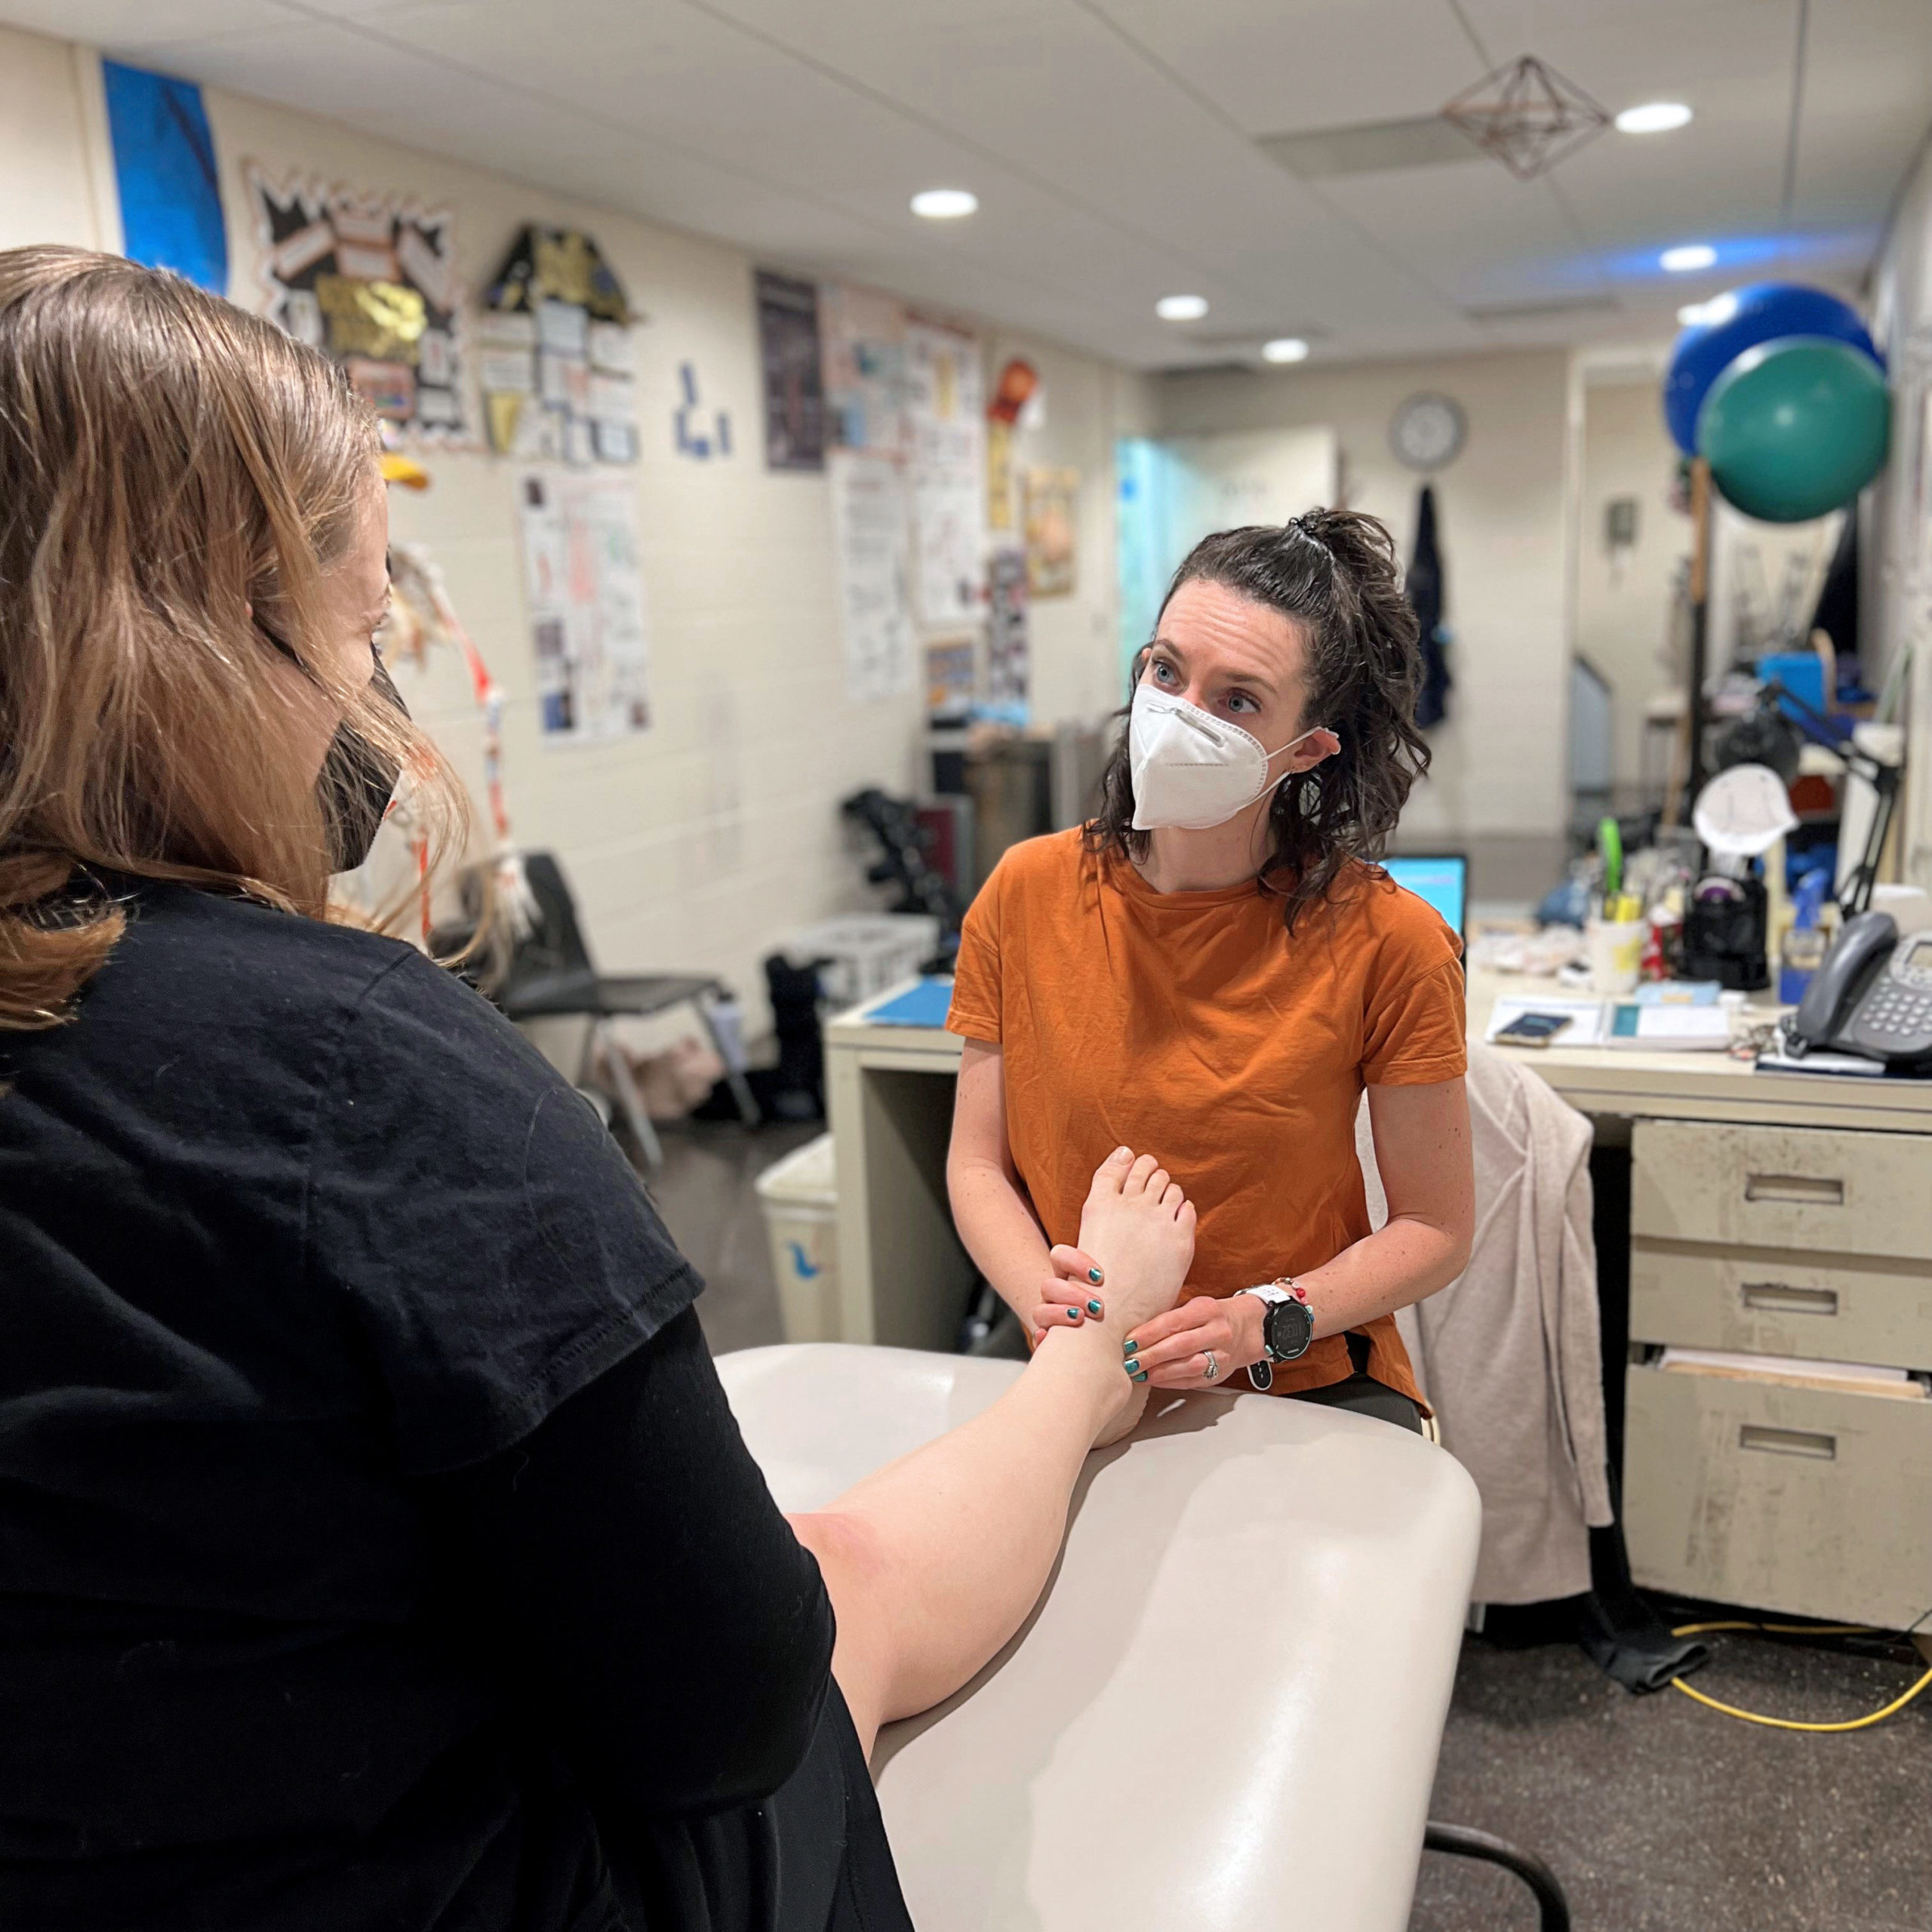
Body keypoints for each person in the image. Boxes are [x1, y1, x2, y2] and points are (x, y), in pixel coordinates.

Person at [0, 247, 1189, 1932]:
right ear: (214, 638)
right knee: (838, 1579)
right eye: (361, 633)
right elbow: (737, 1698)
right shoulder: (367, 1071)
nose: (376, 706)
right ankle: (1092, 1361)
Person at [946, 513, 1476, 1437]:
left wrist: (1260, 1317)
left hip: (1298, 1383)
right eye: (1165, 671)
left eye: (1237, 700)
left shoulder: (1389, 941)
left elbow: (1435, 1229)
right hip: (1078, 1361)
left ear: (1308, 748)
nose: (1181, 711)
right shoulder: (1022, 893)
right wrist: (1039, 1292)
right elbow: (977, 1163)